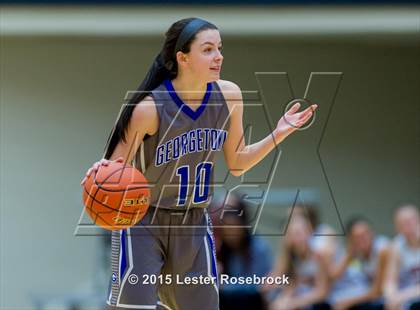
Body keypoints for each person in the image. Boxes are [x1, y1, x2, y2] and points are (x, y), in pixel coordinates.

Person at [80, 17, 318, 310]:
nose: (218, 56)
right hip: (144, 223)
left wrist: (278, 133)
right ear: (182, 58)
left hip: (193, 223)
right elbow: (111, 169)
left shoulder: (228, 96)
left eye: (219, 48)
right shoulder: (149, 109)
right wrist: (100, 176)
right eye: (207, 49)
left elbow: (238, 163)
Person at [217, 196, 273, 310]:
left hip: (253, 302)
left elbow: (258, 285)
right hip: (230, 301)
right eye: (226, 229)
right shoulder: (223, 249)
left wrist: (225, 285)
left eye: (233, 228)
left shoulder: (258, 247)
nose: (230, 233)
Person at [267, 216, 330, 310]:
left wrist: (293, 303)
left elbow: (322, 292)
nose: (297, 238)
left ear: (309, 232)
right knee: (275, 302)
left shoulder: (318, 255)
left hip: (319, 299)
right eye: (291, 234)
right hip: (300, 294)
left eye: (299, 233)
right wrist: (284, 299)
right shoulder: (289, 255)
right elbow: (287, 283)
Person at [331, 217, 389, 310]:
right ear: (351, 239)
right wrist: (350, 253)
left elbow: (378, 290)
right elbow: (334, 276)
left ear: (373, 233)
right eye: (358, 237)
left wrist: (347, 302)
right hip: (374, 295)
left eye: (366, 233)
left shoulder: (382, 249)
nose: (364, 238)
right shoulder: (358, 252)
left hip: (394, 295)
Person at [384, 205, 420, 310]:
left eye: (410, 221)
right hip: (407, 297)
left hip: (409, 294)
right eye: (402, 223)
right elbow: (389, 282)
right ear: (397, 227)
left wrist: (403, 296)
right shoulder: (396, 246)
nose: (408, 225)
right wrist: (391, 297)